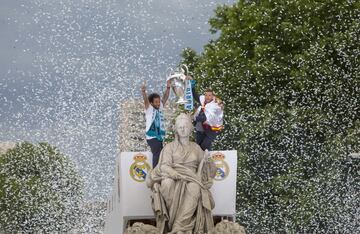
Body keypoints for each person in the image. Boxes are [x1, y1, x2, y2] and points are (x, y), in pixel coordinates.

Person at [146, 113, 217, 233]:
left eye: (185, 126)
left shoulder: (196, 148)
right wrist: (173, 173)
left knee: (194, 187)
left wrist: (208, 161)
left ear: (190, 129)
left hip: (192, 178)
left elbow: (207, 169)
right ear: (176, 130)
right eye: (180, 127)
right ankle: (172, 223)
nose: (183, 129)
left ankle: (179, 227)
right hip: (173, 176)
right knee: (167, 184)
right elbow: (164, 165)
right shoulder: (169, 147)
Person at [187, 76, 224, 151]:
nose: (207, 97)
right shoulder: (203, 100)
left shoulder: (215, 105)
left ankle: (207, 160)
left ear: (213, 96)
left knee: (204, 147)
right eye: (206, 95)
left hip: (210, 131)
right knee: (198, 149)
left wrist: (193, 118)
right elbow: (195, 95)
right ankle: (203, 161)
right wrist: (192, 83)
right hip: (200, 130)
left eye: (209, 95)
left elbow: (205, 118)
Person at [141, 80, 171, 168]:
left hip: (159, 136)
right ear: (151, 103)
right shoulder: (149, 109)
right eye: (156, 102)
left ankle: (158, 170)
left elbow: (165, 98)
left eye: (159, 102)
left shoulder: (160, 107)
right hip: (152, 136)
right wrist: (143, 92)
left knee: (161, 154)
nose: (158, 103)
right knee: (157, 154)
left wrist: (168, 88)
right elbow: (145, 100)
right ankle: (155, 172)